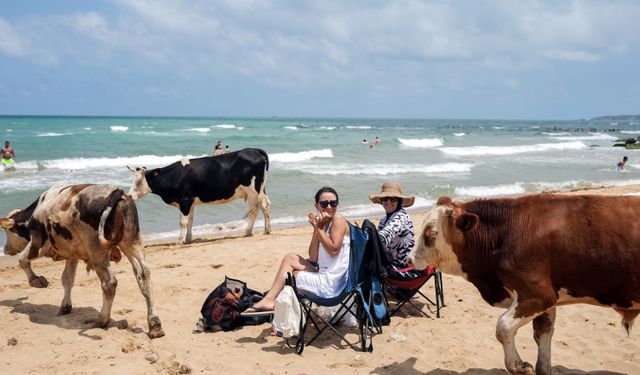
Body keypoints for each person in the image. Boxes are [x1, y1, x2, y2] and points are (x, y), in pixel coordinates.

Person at [246, 186, 350, 312]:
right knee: (291, 258)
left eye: (333, 203)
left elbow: (333, 251)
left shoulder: (338, 219)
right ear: (317, 206)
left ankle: (272, 302)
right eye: (324, 204)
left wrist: (320, 228)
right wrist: (317, 229)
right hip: (327, 276)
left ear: (338, 204)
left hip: (332, 286)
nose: (329, 207)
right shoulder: (323, 224)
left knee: (291, 276)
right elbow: (314, 257)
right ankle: (270, 299)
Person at [368, 182, 415, 269]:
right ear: (382, 201)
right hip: (389, 264)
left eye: (393, 199)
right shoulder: (383, 221)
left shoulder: (401, 217)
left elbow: (385, 236)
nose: (388, 202)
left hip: (404, 267)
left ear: (399, 201)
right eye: (385, 198)